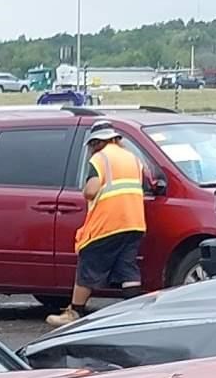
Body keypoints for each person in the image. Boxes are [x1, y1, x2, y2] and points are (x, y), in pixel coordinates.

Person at [49, 123, 146, 322]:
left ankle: (74, 311)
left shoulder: (100, 159)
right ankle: (136, 312)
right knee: (127, 267)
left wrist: (85, 190)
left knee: (89, 263)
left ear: (97, 142)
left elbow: (91, 190)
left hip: (108, 223)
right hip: (134, 222)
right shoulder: (133, 159)